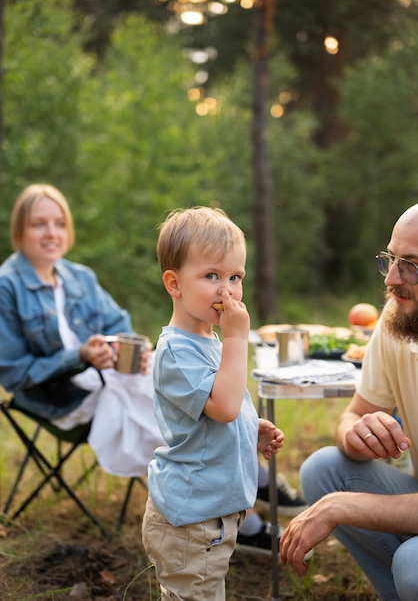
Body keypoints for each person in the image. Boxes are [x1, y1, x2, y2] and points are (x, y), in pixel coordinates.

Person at [142, 206, 284, 600]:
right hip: (191, 521)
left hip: (209, 515)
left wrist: (248, 429)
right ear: (174, 283)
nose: (228, 290)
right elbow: (222, 406)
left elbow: (218, 412)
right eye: (211, 276)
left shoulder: (206, 340)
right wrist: (238, 339)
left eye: (235, 277)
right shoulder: (176, 352)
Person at [280, 202, 418, 601]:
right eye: (391, 259)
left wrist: (341, 508)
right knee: (324, 469)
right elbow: (355, 413)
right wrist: (354, 434)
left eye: (411, 265)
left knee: (412, 564)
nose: (392, 279)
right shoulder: (399, 318)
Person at [0, 183, 164, 477]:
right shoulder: (6, 287)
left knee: (170, 377)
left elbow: (119, 327)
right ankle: (219, 484)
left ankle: (231, 479)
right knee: (167, 400)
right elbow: (13, 372)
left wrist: (122, 351)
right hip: (59, 398)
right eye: (39, 224)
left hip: (105, 378)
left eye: (60, 224)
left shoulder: (81, 278)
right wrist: (80, 356)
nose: (52, 233)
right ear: (20, 230)